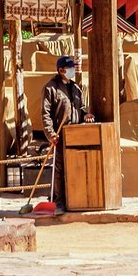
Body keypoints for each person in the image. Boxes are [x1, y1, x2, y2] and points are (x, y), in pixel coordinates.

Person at [40, 54, 88, 205]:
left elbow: (81, 108)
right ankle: (58, 200)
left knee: (75, 166)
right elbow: (45, 114)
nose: (72, 70)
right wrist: (51, 134)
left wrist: (86, 115)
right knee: (59, 168)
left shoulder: (75, 88)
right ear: (61, 70)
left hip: (76, 133)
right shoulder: (50, 88)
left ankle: (74, 198)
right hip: (60, 134)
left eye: (73, 67)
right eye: (69, 68)